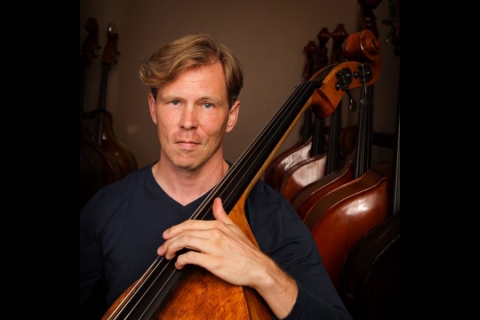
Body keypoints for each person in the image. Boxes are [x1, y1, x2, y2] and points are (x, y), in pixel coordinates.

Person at [80, 33, 353, 320]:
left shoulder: (271, 214)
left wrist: (262, 272)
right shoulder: (106, 207)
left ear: (231, 115)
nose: (188, 122)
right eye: (174, 102)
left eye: (206, 104)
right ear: (153, 108)